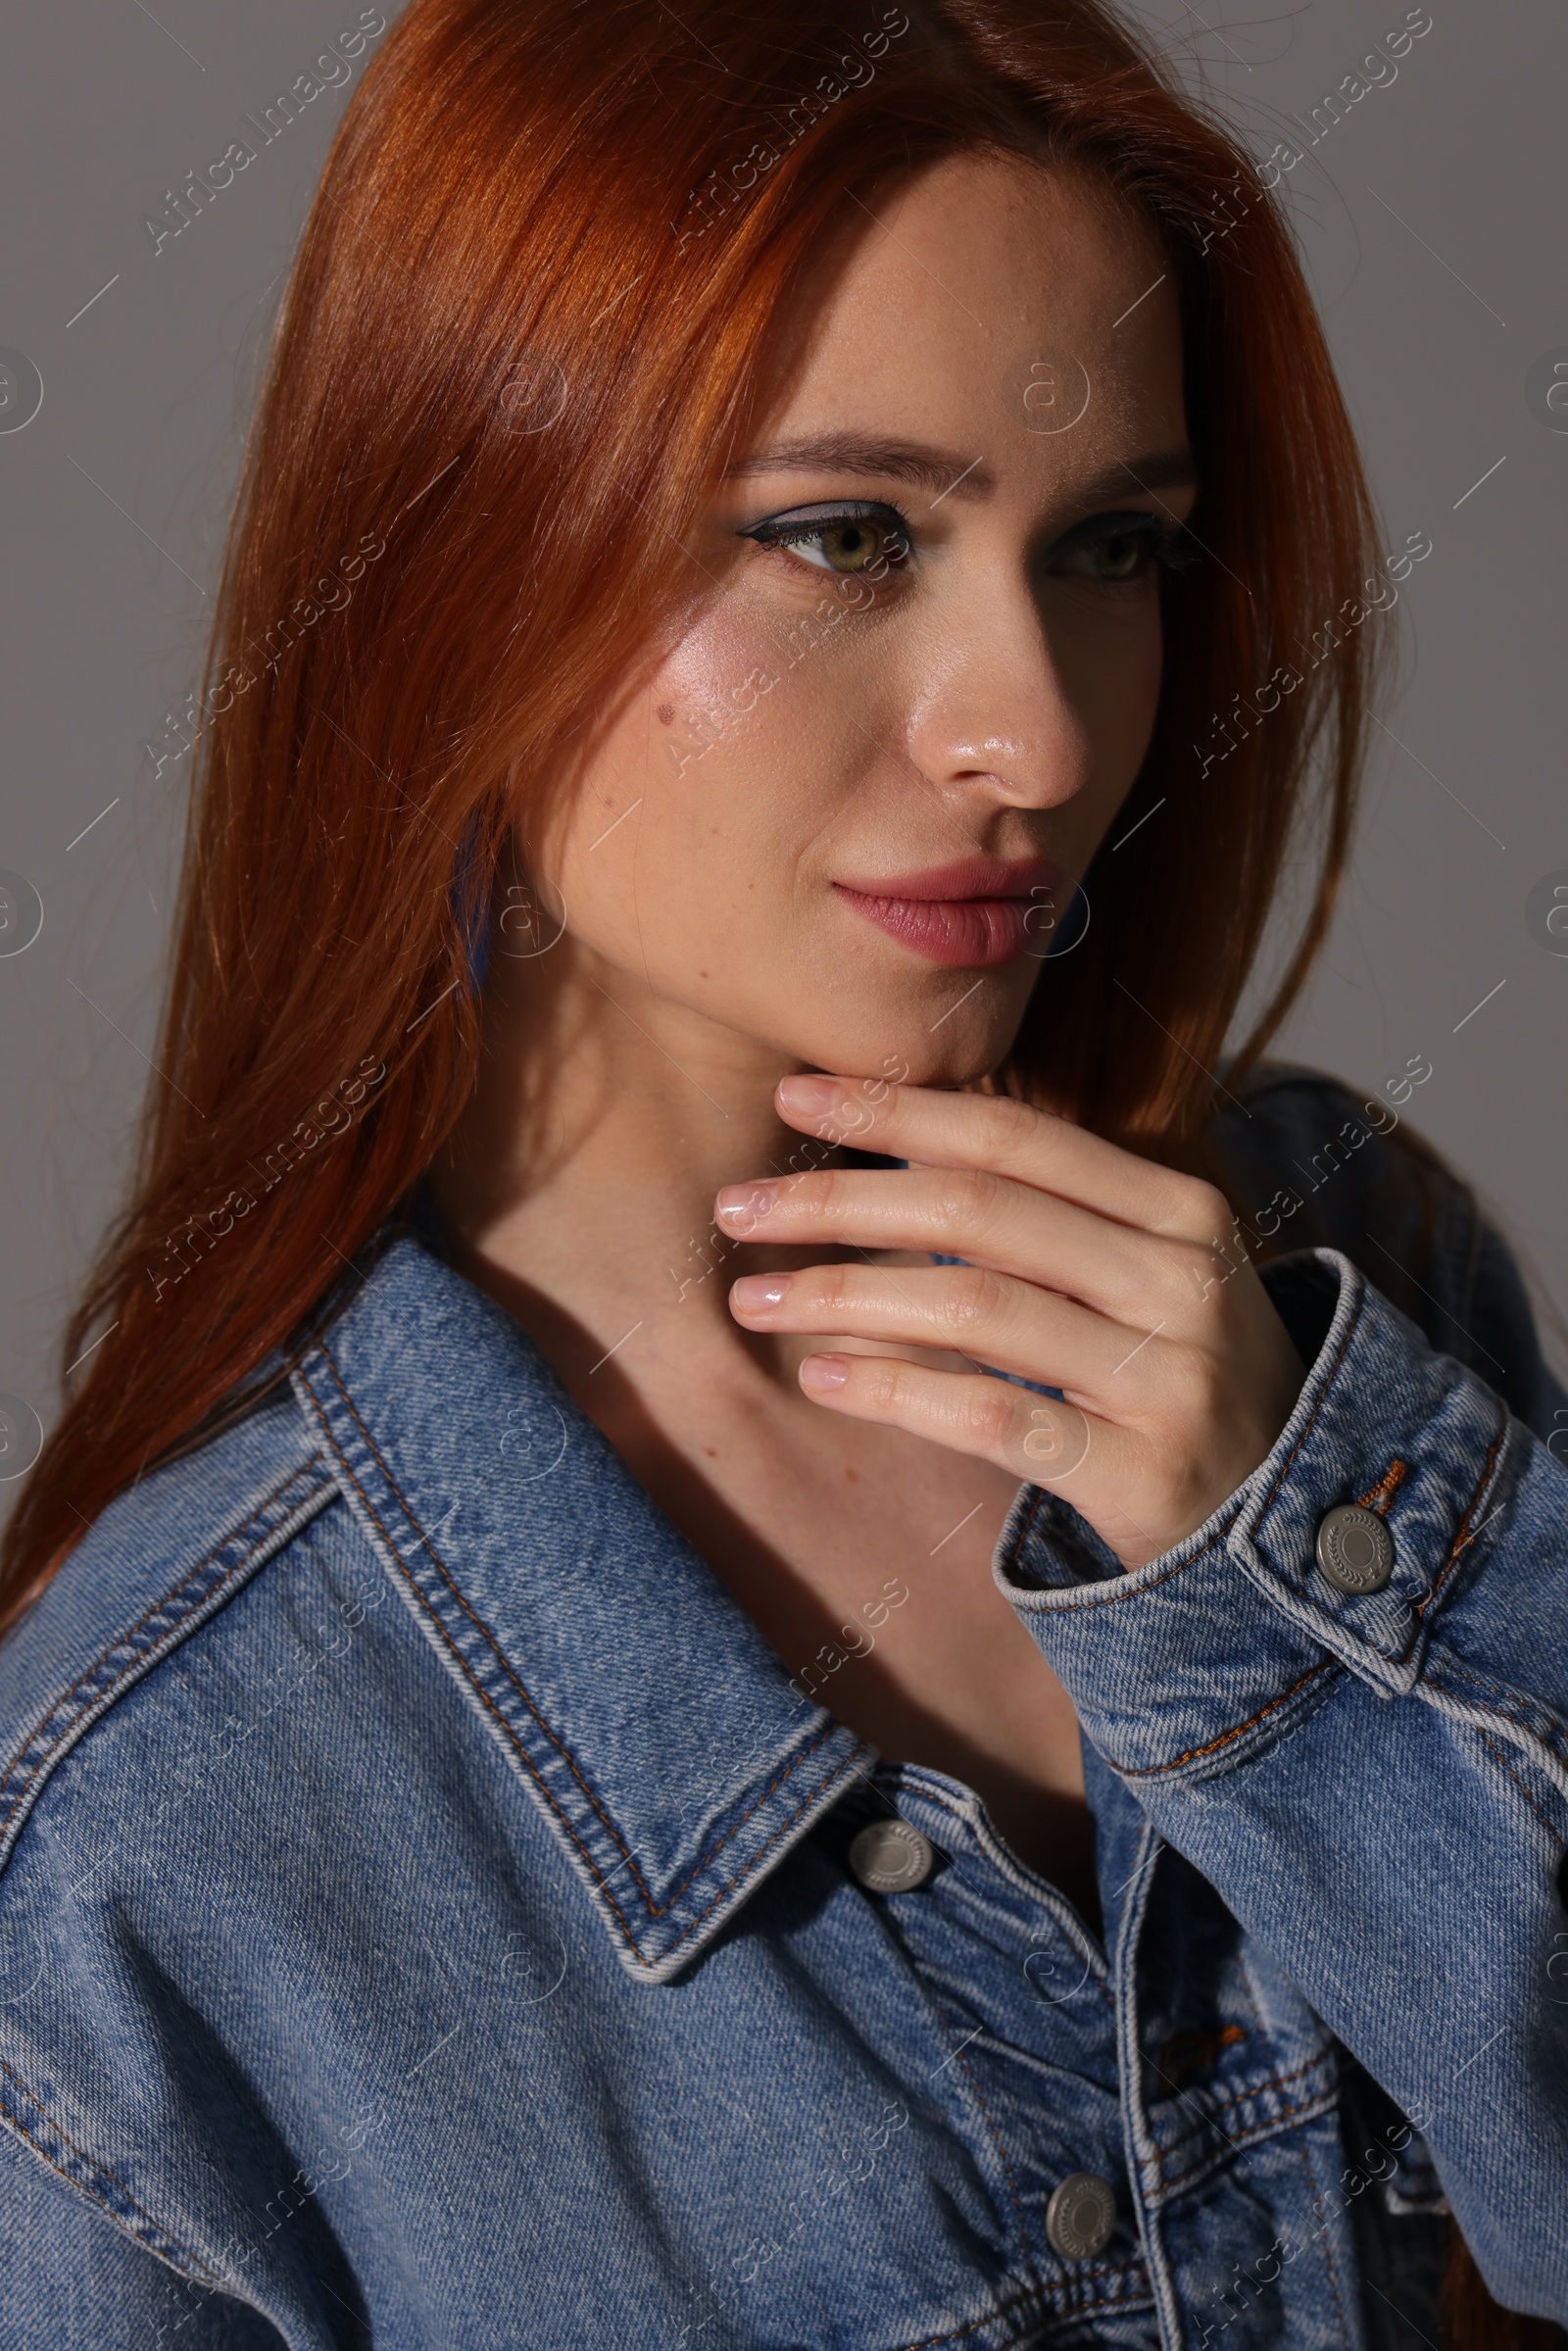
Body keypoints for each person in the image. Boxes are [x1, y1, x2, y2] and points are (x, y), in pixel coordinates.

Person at [0, 0, 1563, 2342]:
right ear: (459, 540)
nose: (1030, 734)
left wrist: (1312, 1586)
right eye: (843, 535)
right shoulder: (156, 1845)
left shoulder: (1341, 1269)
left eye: (1111, 548)